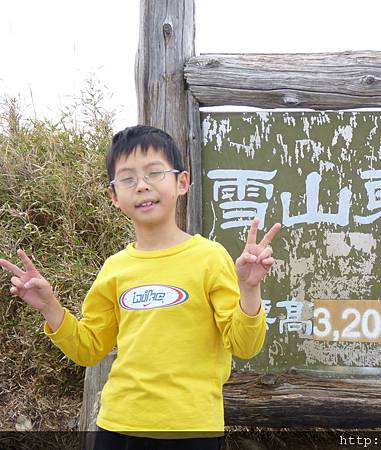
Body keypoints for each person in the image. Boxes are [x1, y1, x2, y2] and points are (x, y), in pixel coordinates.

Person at [0, 125, 281, 450]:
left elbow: (244, 346)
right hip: (118, 427)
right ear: (114, 196)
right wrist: (50, 307)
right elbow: (89, 349)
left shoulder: (210, 258)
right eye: (128, 178)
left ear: (182, 182)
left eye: (154, 173)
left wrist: (249, 290)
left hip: (192, 430)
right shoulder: (115, 268)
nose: (142, 185)